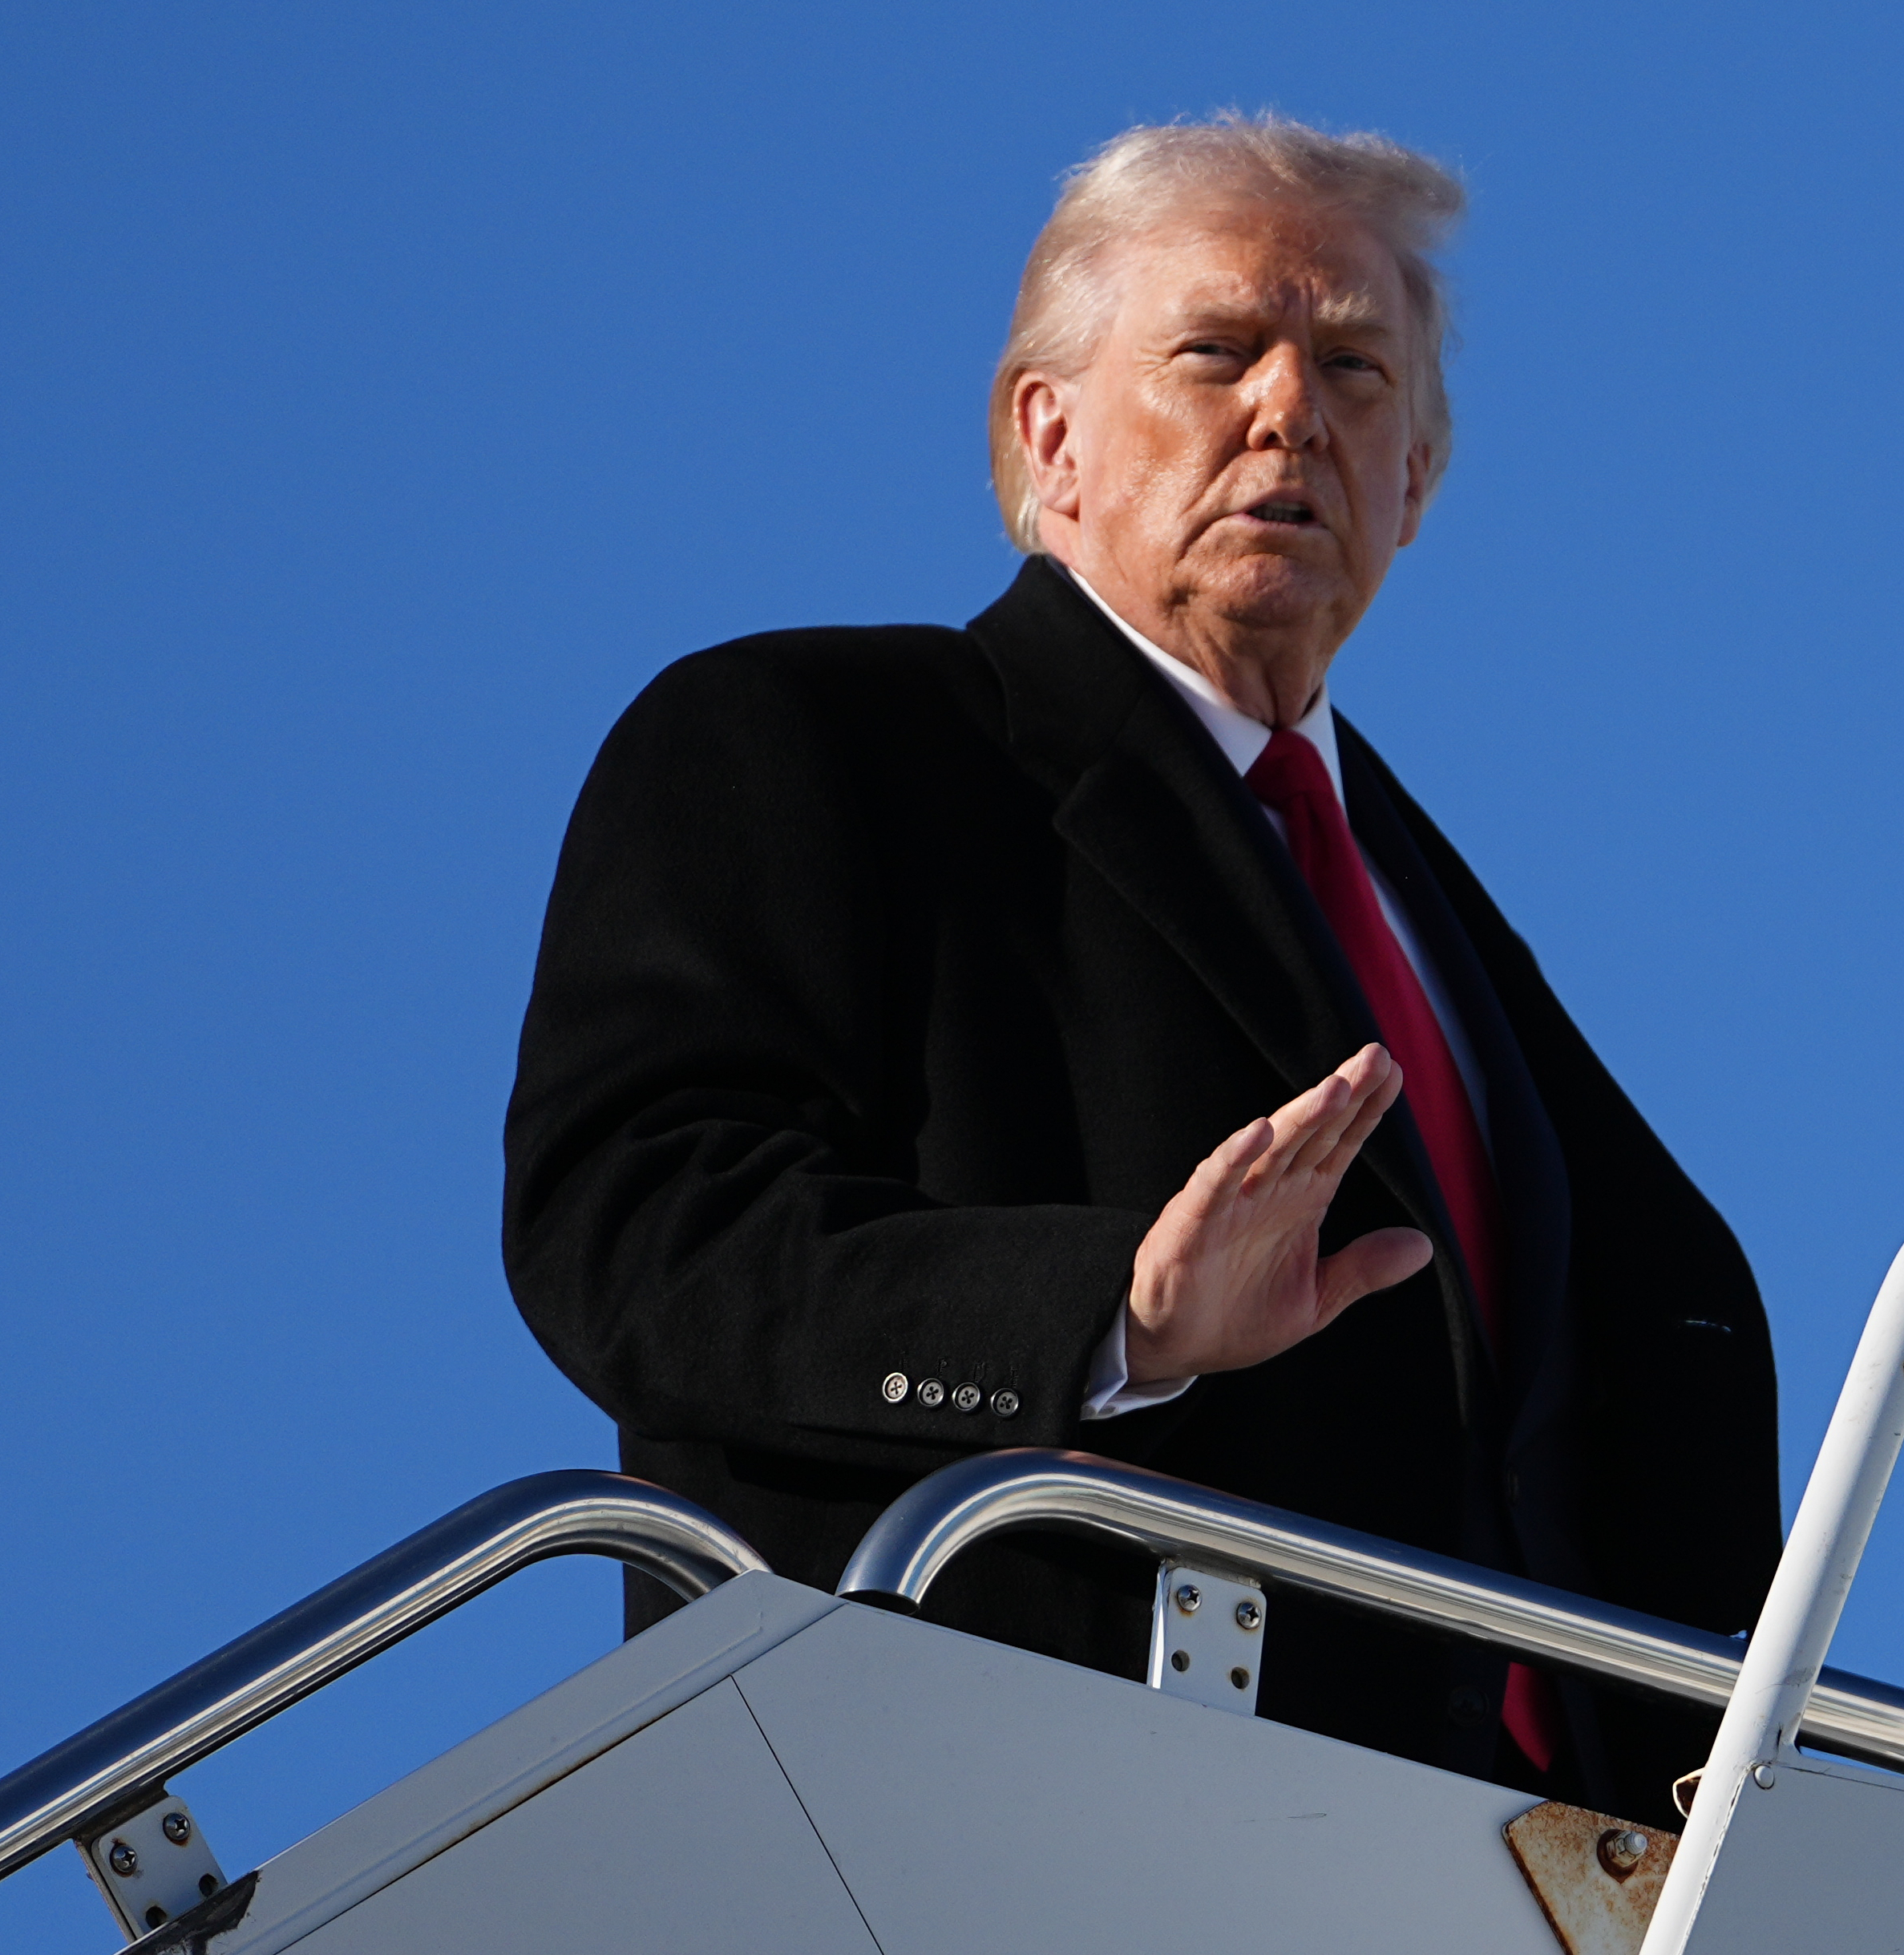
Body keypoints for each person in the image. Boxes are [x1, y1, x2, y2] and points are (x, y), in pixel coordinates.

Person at [502, 114, 1777, 1823]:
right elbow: (637, 1231)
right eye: (1216, 352)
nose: (1288, 411)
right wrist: (1115, 1316)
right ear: (1052, 441)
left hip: (1533, 1863)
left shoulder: (1451, 934)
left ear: (1414, 486)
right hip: (997, 1819)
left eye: (1351, 367)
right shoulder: (808, 740)